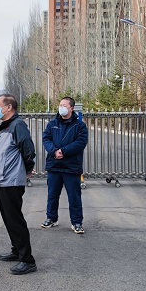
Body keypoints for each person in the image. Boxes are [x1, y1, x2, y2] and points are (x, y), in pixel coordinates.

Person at [0, 94, 37, 275]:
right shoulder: (7, 126)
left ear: (8, 107)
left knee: (15, 219)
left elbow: (28, 149)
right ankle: (17, 250)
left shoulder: (17, 125)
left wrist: (28, 168)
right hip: (3, 180)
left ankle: (27, 260)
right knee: (8, 218)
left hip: (11, 180)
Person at [41, 96, 88, 234]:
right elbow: (46, 139)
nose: (61, 107)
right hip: (54, 165)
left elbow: (80, 142)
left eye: (64, 105)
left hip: (71, 166)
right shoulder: (52, 124)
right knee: (52, 195)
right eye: (60, 104)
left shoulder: (79, 125)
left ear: (71, 108)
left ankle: (77, 222)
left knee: (74, 197)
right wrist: (54, 151)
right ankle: (51, 218)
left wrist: (63, 151)